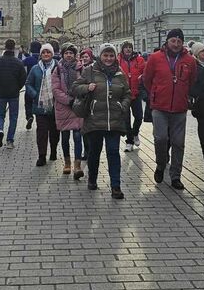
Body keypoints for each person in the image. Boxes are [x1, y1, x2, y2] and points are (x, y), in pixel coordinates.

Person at [72, 43, 131, 199]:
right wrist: (87, 88)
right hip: (94, 120)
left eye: (111, 55)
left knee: (113, 153)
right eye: (105, 55)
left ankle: (116, 186)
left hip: (114, 120)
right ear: (100, 55)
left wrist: (122, 106)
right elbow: (75, 88)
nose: (109, 58)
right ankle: (92, 179)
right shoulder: (90, 71)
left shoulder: (120, 73)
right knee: (94, 153)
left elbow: (127, 93)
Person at [143, 28, 198, 190]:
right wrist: (155, 92)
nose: (176, 44)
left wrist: (184, 95)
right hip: (160, 106)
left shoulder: (189, 60)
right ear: (167, 42)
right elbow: (147, 79)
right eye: (173, 41)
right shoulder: (155, 58)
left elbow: (192, 81)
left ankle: (176, 176)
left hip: (180, 107)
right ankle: (161, 165)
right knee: (160, 138)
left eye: (179, 41)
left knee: (178, 143)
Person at [52, 44, 85, 177]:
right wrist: (68, 100)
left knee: (78, 137)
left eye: (71, 53)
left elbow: (84, 85)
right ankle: (67, 163)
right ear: (62, 54)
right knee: (65, 138)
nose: (69, 55)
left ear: (75, 54)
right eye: (66, 53)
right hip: (63, 107)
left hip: (77, 106)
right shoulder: (58, 69)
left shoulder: (81, 68)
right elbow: (55, 89)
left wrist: (78, 98)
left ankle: (77, 166)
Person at [24, 43, 59, 166]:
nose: (46, 54)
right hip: (40, 106)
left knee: (54, 132)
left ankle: (53, 151)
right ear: (40, 54)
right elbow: (28, 84)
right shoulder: (35, 68)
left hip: (55, 106)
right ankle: (42, 155)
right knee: (42, 133)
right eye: (43, 52)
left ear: (52, 54)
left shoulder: (57, 67)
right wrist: (35, 95)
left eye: (48, 52)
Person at [0, 39, 27, 149]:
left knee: (0, 115)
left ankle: (0, 130)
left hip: (0, 93)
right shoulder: (18, 62)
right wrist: (18, 87)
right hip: (13, 93)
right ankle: (10, 140)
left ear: (4, 47)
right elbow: (23, 78)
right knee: (13, 117)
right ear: (14, 47)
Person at [118, 42, 145, 151]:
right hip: (123, 94)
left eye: (130, 48)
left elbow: (145, 73)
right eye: (126, 48)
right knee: (126, 120)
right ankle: (129, 142)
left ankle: (135, 133)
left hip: (136, 93)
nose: (128, 49)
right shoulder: (118, 61)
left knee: (139, 117)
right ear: (122, 49)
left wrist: (141, 79)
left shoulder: (139, 60)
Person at [22, 41, 41, 129]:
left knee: (28, 102)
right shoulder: (42, 59)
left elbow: (21, 64)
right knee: (38, 103)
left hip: (30, 85)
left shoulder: (29, 59)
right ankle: (38, 119)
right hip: (40, 85)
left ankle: (29, 116)